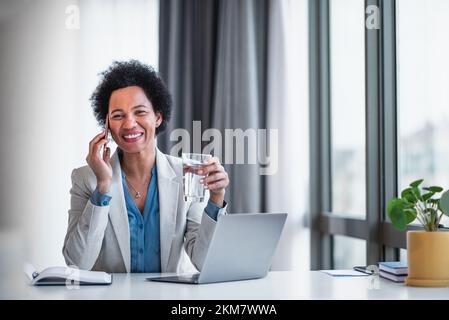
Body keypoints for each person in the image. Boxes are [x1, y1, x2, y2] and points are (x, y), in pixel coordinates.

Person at [62, 60, 229, 273]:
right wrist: (103, 185)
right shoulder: (85, 179)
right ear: (107, 126)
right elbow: (77, 264)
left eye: (140, 112)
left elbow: (205, 263)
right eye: (118, 115)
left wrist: (216, 197)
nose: (129, 123)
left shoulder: (186, 174)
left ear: (158, 117)